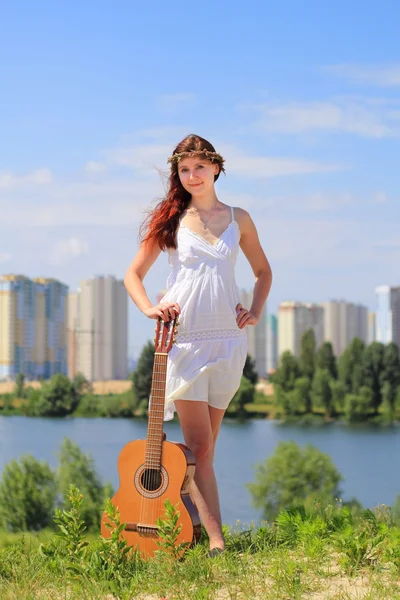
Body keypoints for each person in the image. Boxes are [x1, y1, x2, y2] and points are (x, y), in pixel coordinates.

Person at [124, 134, 272, 555]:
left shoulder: (239, 218)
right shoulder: (171, 220)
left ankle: (185, 531)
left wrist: (256, 312)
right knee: (199, 446)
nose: (192, 176)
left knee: (205, 452)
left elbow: (263, 272)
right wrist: (150, 308)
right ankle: (216, 542)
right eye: (184, 170)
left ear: (216, 169)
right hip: (184, 342)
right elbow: (133, 274)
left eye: (199, 168)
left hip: (228, 343)